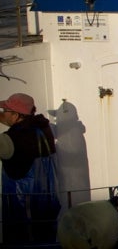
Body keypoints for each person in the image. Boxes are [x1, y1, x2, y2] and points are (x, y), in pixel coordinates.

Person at [1, 93, 61, 243]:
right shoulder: (44, 128)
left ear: (16, 115)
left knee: (24, 238)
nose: (3, 114)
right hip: (47, 203)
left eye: (5, 111)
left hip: (23, 208)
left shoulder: (10, 138)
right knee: (45, 237)